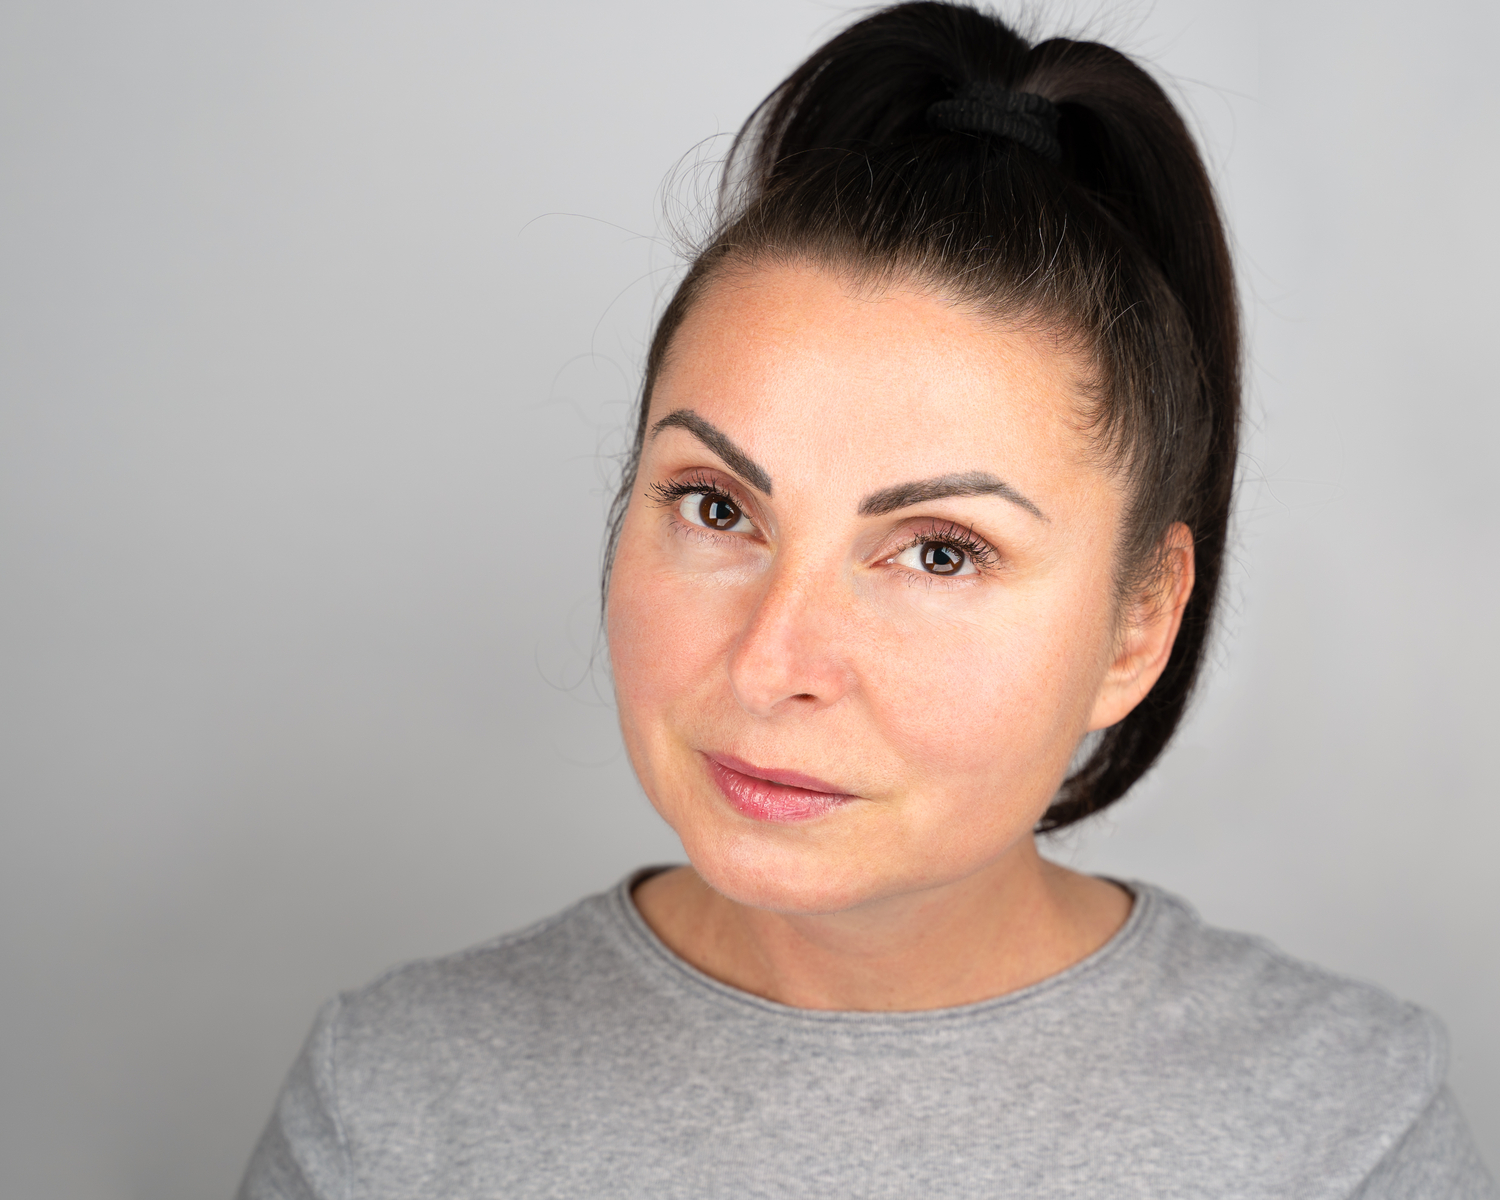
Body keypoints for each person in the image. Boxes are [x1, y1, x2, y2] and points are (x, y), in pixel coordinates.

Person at [238, 3, 1495, 1196]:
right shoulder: (391, 1106)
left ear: (1139, 622)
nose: (772, 662)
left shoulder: (1341, 1134)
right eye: (717, 508)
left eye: (940, 552)